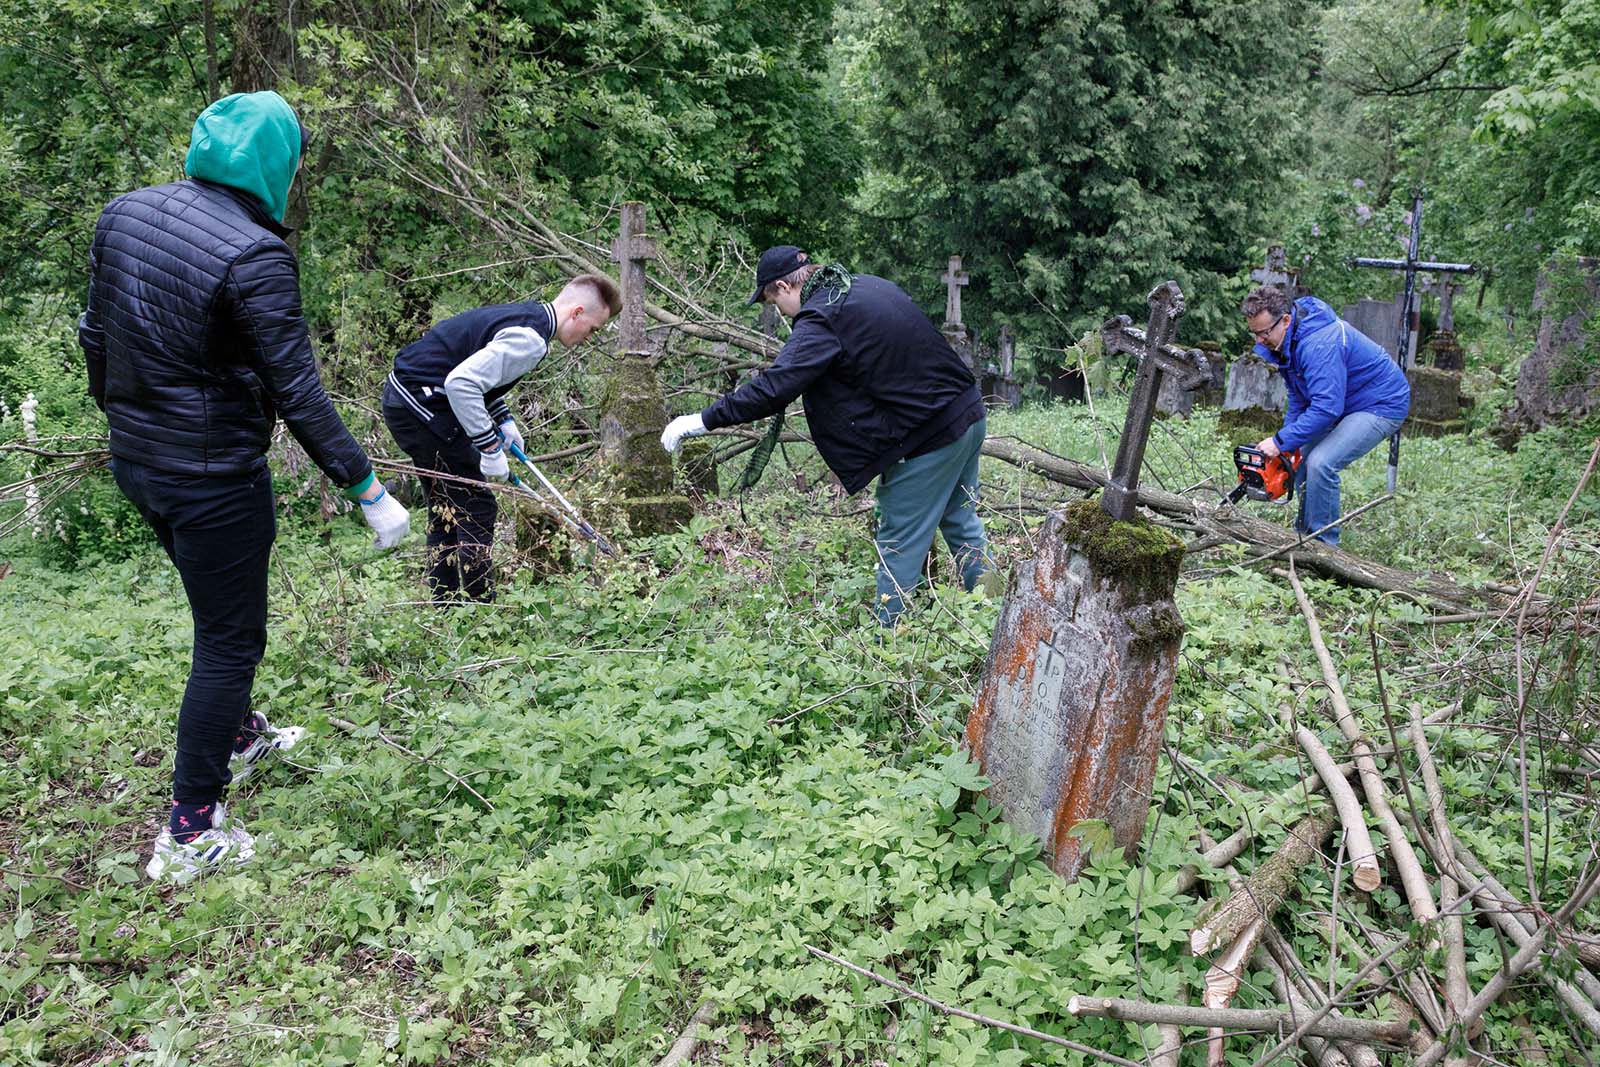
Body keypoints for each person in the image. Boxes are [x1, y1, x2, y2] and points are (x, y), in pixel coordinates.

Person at [78, 91, 411, 883]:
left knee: (216, 614)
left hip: (139, 463)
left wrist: (127, 417)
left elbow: (95, 335)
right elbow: (298, 391)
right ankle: (191, 830)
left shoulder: (126, 212)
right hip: (213, 478)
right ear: (278, 166)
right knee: (228, 642)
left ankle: (239, 734)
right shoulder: (253, 254)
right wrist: (368, 488)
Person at [660, 246, 991, 623]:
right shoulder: (866, 286)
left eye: (773, 301)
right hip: (968, 413)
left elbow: (774, 387)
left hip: (929, 438)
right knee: (963, 525)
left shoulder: (822, 316)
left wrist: (701, 420)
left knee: (899, 545)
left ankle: (891, 650)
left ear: (784, 286)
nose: (781, 314)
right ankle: (995, 616)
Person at [382, 275, 620, 601]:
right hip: (422, 405)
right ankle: (480, 607)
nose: (589, 337)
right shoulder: (531, 339)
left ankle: (446, 605)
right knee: (477, 505)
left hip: (407, 400)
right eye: (593, 329)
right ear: (577, 312)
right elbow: (462, 383)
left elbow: (481, 373)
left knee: (447, 507)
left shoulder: (529, 316)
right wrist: (490, 447)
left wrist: (505, 421)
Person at [1242, 285, 1410, 545]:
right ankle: (1304, 535)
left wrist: (1278, 441)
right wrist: (1287, 442)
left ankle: (1324, 545)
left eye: (1264, 333)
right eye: (1254, 333)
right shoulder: (1290, 338)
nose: (1259, 341)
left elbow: (1326, 408)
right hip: (1341, 400)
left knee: (1321, 463)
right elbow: (1300, 397)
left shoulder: (1319, 344)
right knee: (1302, 458)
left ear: (1285, 320)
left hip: (1380, 402)